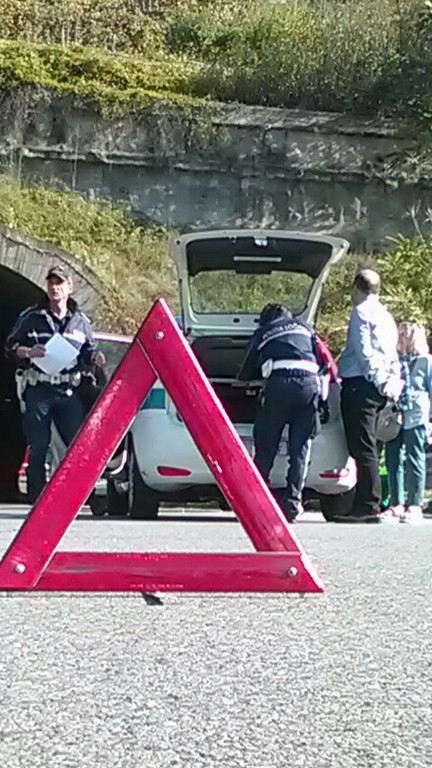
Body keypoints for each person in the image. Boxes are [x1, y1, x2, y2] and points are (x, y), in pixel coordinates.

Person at [4, 265, 105, 503]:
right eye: (51, 282)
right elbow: (10, 347)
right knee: (39, 445)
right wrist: (28, 352)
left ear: (69, 287)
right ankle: (37, 498)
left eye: (59, 283)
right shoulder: (31, 317)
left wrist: (96, 357)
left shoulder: (80, 321)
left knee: (78, 444)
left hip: (68, 390)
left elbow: (89, 351)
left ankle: (83, 495)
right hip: (39, 388)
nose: (54, 287)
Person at [237, 302, 325, 522]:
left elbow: (245, 370)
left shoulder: (265, 331)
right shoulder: (306, 328)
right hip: (309, 387)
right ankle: (293, 504)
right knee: (300, 448)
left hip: (280, 386)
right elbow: (323, 362)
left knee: (266, 442)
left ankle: (257, 503)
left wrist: (248, 378)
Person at [337, 269, 403, 523]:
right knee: (372, 445)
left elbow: (364, 352)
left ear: (356, 288)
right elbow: (392, 355)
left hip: (360, 384)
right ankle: (366, 502)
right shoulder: (386, 316)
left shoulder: (360, 312)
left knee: (362, 447)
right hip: (380, 387)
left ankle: (367, 505)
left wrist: (377, 379)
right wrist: (390, 385)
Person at [385, 323, 432, 524]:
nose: (402, 337)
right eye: (400, 333)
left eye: (406, 334)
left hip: (417, 414)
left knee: (414, 457)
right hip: (395, 414)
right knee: (393, 458)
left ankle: (415, 503)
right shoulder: (393, 361)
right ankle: (396, 503)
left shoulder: (426, 361)